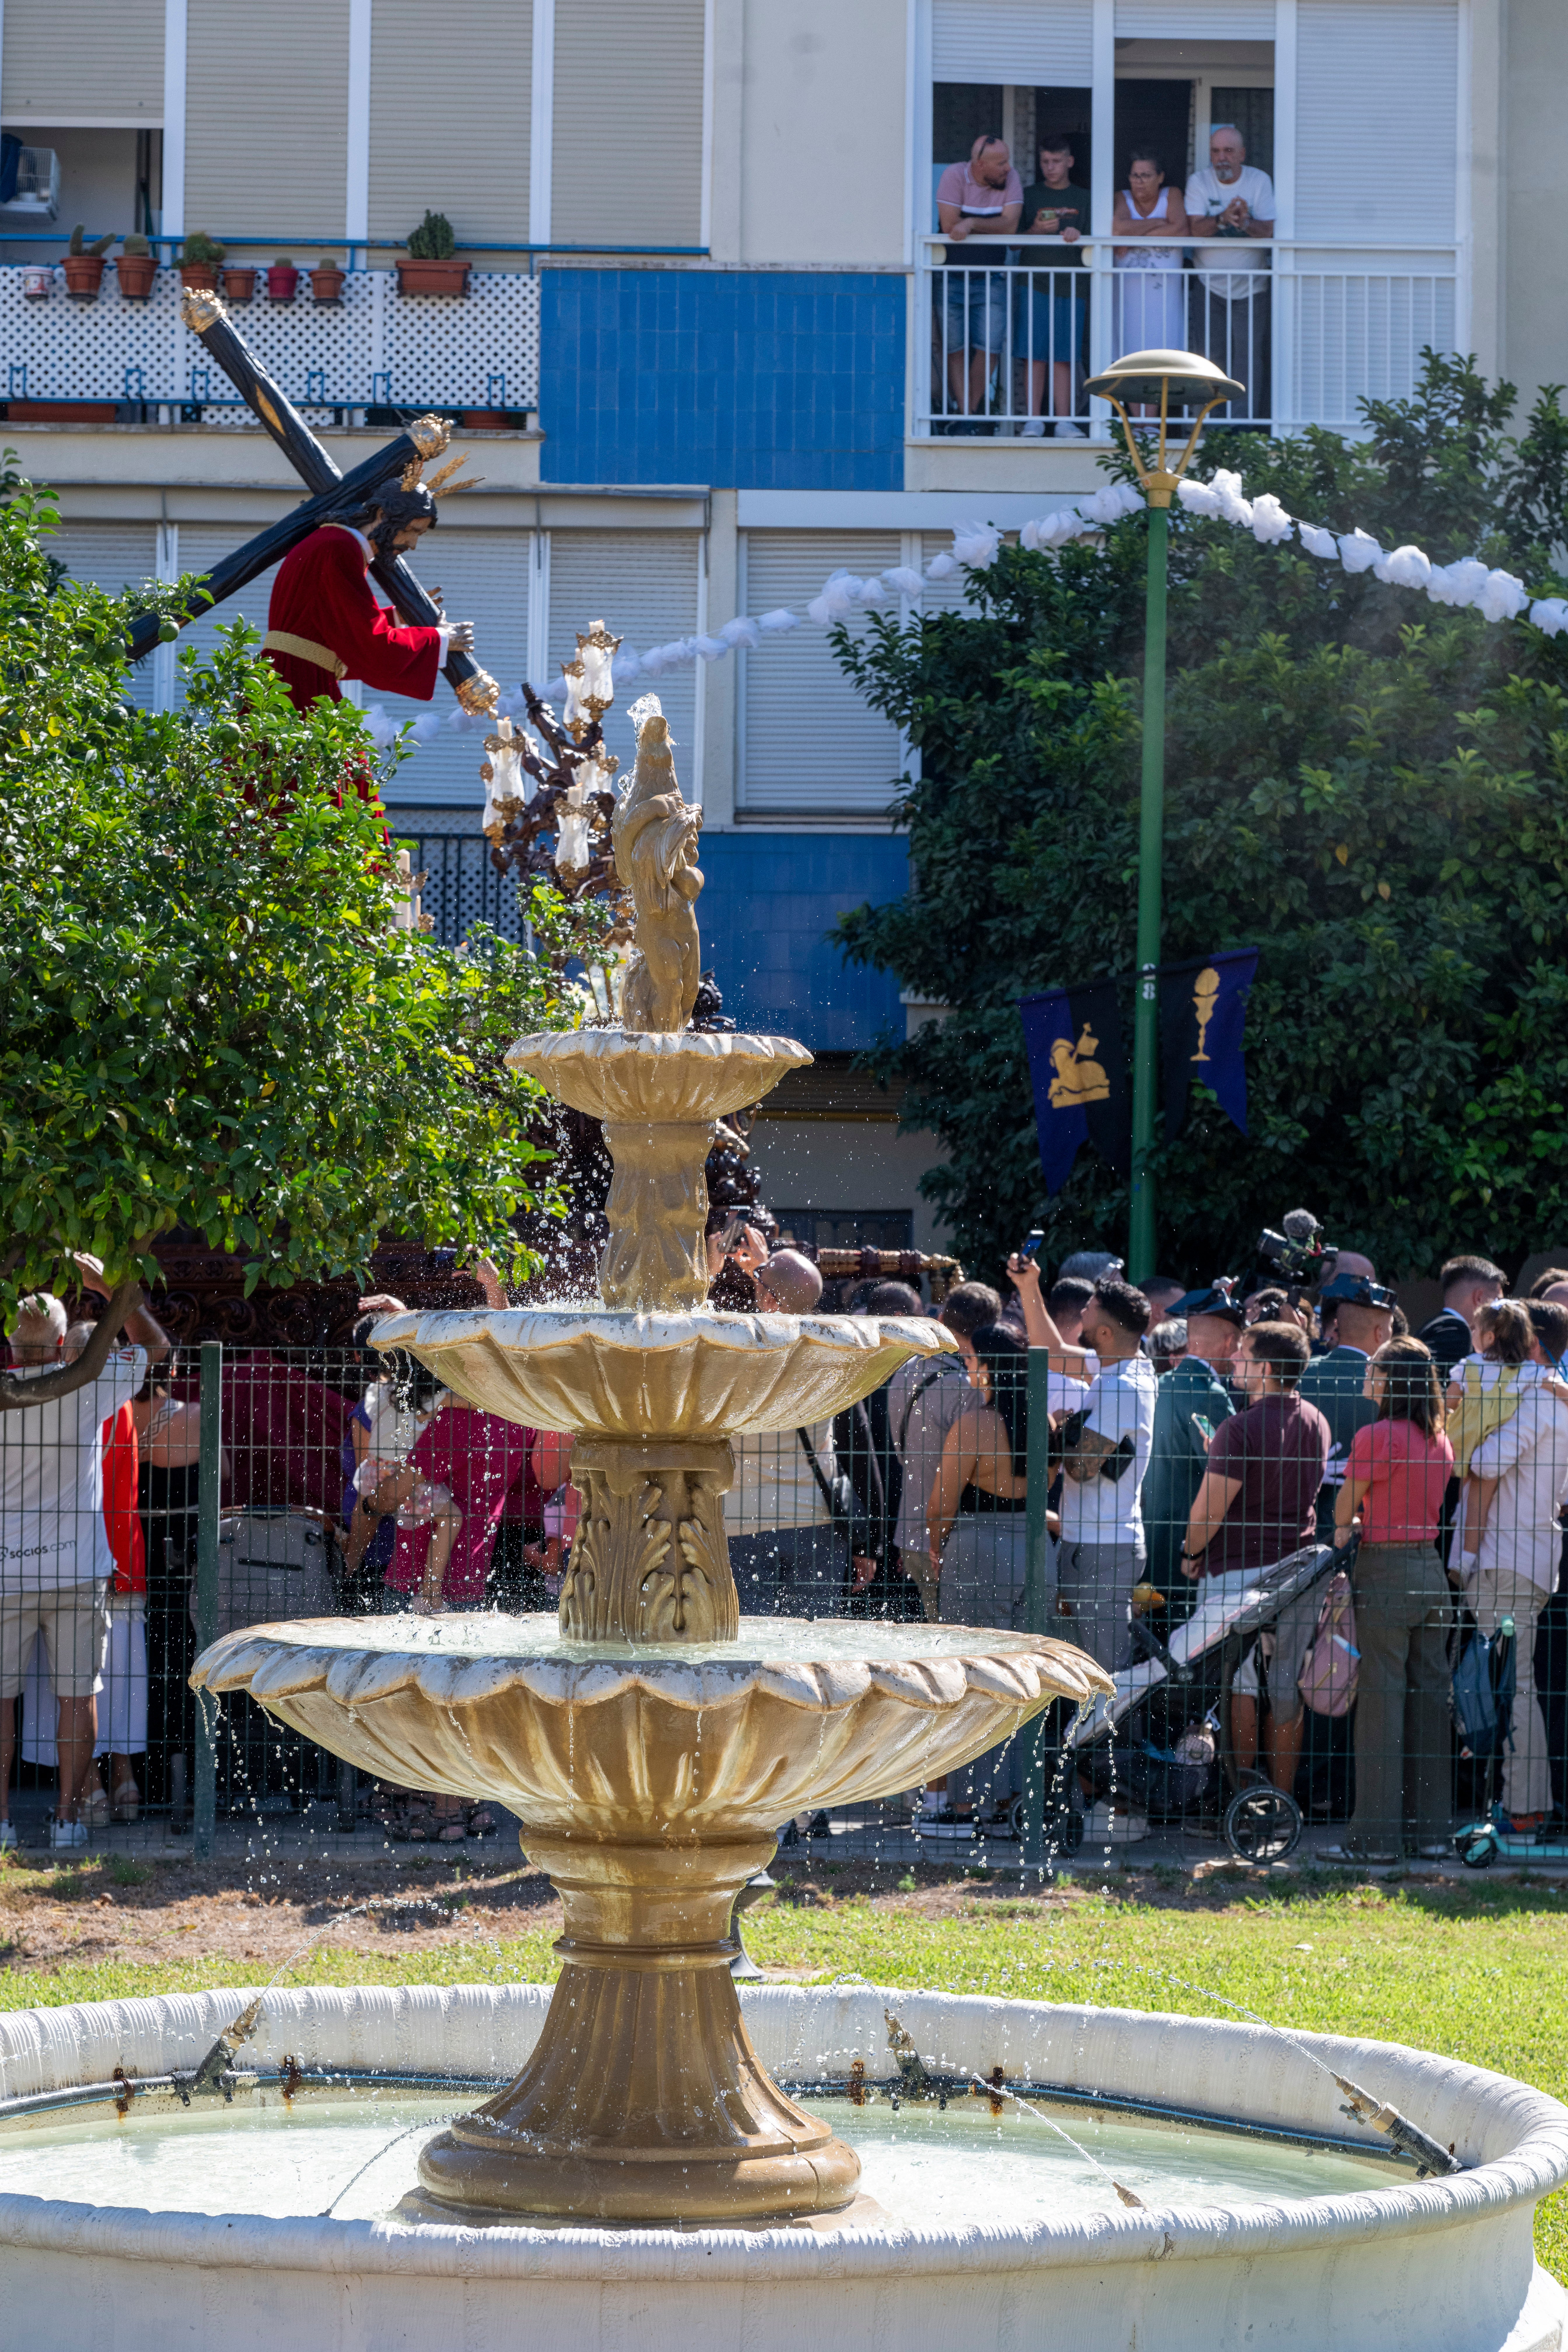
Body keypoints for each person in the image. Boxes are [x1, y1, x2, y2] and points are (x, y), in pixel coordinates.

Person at [0, 1264, 167, 1849]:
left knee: (2, 1700)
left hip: (8, 1569)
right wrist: (110, 1291)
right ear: (63, 1339)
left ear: (12, 1344)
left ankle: (1, 1826)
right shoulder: (89, 1385)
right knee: (80, 1696)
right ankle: (71, 1819)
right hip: (78, 1568)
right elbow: (157, 1347)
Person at [1180, 1320, 1330, 1796]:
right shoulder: (1316, 1420)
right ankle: (1281, 1800)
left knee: (1238, 1683)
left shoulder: (1237, 1428)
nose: (1234, 1362)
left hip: (1239, 1569)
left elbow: (1208, 1510)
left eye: (1243, 1355)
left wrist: (1191, 1552)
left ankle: (1238, 1800)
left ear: (1264, 1368)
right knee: (1286, 1685)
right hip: (1301, 1569)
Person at [1325, 1338, 1453, 1863]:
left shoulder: (1376, 1434)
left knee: (1381, 1704)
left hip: (1385, 1567)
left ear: (1390, 1380)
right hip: (1430, 1569)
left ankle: (1375, 1839)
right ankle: (1432, 1833)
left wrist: (1342, 1527)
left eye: (1373, 1367)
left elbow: (1344, 1504)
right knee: (1429, 1705)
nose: (1366, 1373)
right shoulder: (1437, 1437)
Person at [1458, 1317, 1568, 1834]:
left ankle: (1522, 1807)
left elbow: (1483, 1461)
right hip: (1532, 1557)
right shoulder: (1557, 1399)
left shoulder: (1540, 1400)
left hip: (1506, 1559)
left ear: (1527, 1341)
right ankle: (1520, 1803)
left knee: (1512, 1685)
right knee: (1513, 1682)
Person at [925, 1323, 1034, 1831]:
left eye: (971, 1359)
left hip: (979, 1549)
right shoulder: (1043, 1426)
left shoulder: (974, 1425)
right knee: (1020, 1681)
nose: (968, 1368)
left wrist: (934, 1542)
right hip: (1035, 1549)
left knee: (972, 1676)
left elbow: (940, 1504)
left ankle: (966, 1804)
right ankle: (1015, 1798)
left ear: (988, 1366)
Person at [262, 473, 475, 715]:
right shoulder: (339, 549)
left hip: (290, 680)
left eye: (420, 534)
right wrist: (441, 639)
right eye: (412, 530)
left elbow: (331, 629)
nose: (413, 543)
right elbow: (371, 647)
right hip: (300, 688)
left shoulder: (331, 542)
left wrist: (397, 618)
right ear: (383, 515)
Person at [726, 1250, 847, 1617]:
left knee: (748, 1645)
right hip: (815, 1518)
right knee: (813, 1640)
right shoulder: (832, 1351)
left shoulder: (734, 1351)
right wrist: (770, 1281)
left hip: (742, 1520)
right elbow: (789, 1303)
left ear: (767, 1298)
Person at [1051, 1278, 1158, 1673]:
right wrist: (1029, 1287)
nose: (1082, 1313)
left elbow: (1080, 1469)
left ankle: (1120, 1738)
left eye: (1090, 1310)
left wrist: (1056, 1429)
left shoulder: (1121, 1390)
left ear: (1107, 1333)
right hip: (1098, 1542)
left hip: (1103, 1547)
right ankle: (1100, 1735)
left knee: (1104, 1669)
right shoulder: (1126, 1366)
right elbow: (1055, 1352)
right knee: (1092, 1664)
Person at [886, 1279, 1001, 1618]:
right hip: (950, 1536)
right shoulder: (967, 1386)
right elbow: (977, 1464)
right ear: (988, 1327)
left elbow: (901, 1449)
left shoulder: (906, 1370)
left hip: (912, 1528)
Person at [1140, 1283, 1242, 1612]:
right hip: (1190, 1541)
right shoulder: (1210, 1393)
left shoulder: (1161, 1383)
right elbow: (1227, 1470)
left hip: (1151, 1533)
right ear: (1230, 1342)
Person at [833, 1280, 925, 1620]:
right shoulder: (915, 1375)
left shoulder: (851, 1370)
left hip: (857, 1524)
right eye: (921, 1318)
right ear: (902, 1318)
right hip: (902, 1526)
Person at [1183, 123, 1275, 425]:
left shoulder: (1259, 181)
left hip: (1252, 286)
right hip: (1209, 284)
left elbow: (1269, 231)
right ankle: (1212, 428)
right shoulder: (1199, 182)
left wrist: (1245, 222)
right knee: (1210, 359)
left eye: (1228, 151)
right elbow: (1196, 229)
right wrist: (1224, 219)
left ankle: (1243, 428)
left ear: (1243, 155)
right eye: (1216, 151)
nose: (1221, 158)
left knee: (1248, 360)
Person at [1297, 1273, 1396, 1541]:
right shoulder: (1392, 1388)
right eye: (1390, 1331)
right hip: (1362, 1527)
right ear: (1379, 1334)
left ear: (1338, 1326)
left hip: (1298, 1524)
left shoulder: (1300, 1375)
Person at [936, 134, 1022, 432]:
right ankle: (968, 415)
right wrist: (974, 224)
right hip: (952, 276)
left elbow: (1010, 227)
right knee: (955, 348)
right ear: (979, 164)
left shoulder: (1010, 179)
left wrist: (971, 223)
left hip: (993, 276)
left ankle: (967, 415)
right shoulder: (953, 175)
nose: (1008, 168)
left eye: (1007, 161)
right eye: (1001, 163)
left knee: (989, 348)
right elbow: (949, 225)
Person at [1016, 131, 1090, 440]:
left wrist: (1078, 236)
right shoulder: (1030, 195)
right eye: (1046, 161)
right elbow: (1013, 243)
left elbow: (1097, 243)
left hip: (1072, 284)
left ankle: (1064, 421)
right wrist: (1035, 229)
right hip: (1034, 282)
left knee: (1065, 355)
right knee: (1035, 353)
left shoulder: (1084, 198)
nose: (1051, 167)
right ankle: (1034, 420)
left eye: (1057, 161)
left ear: (1070, 162)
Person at [1112, 150, 1189, 392]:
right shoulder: (1121, 197)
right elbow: (1118, 230)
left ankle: (1153, 425)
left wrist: (1133, 235)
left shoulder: (1172, 195)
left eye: (1146, 175)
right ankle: (1140, 426)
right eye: (1135, 176)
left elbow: (1182, 232)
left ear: (1161, 177)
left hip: (1166, 298)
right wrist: (1159, 223)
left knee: (1164, 357)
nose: (1139, 181)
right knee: (1130, 355)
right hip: (1129, 297)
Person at [1417, 1256, 1507, 1378]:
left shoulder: (1433, 1325)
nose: (1502, 1310)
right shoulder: (1456, 1330)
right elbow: (1426, 1382)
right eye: (1498, 1302)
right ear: (1479, 1298)